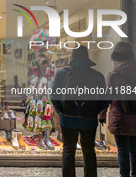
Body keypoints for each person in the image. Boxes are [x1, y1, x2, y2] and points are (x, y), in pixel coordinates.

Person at [51, 45, 109, 177]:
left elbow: (54, 96)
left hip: (67, 120)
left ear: (72, 57)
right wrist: (95, 111)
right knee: (89, 151)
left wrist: (61, 112)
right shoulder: (97, 75)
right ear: (87, 57)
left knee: (68, 151)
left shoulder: (62, 73)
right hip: (89, 120)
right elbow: (105, 100)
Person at [99, 42, 136, 177]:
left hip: (120, 117)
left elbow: (106, 98)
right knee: (135, 150)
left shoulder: (113, 75)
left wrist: (102, 115)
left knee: (122, 151)